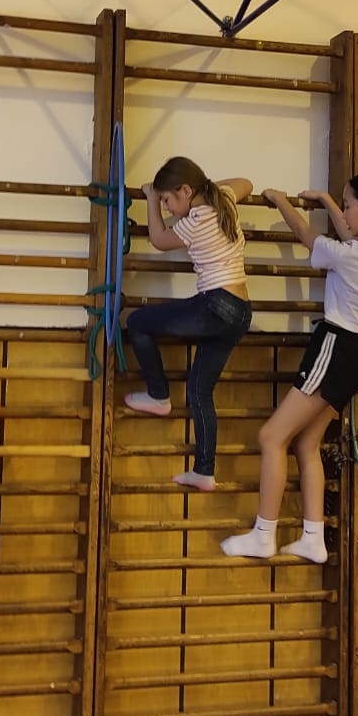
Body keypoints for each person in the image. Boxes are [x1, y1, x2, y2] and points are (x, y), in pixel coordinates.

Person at [222, 170, 358, 563]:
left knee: (271, 437)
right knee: (307, 443)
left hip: (335, 346)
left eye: (349, 204)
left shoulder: (353, 256)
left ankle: (263, 534)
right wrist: (325, 199)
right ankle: (313, 537)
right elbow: (350, 231)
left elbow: (309, 238)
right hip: (356, 354)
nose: (345, 213)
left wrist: (281, 200)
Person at [125, 158, 255, 491]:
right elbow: (246, 183)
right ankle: (204, 472)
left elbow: (159, 239)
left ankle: (158, 395)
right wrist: (210, 189)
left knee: (137, 322)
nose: (168, 208)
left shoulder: (196, 220)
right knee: (199, 390)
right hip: (240, 311)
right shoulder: (223, 200)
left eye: (168, 199)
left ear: (186, 190)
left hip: (216, 305)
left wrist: (149, 197)